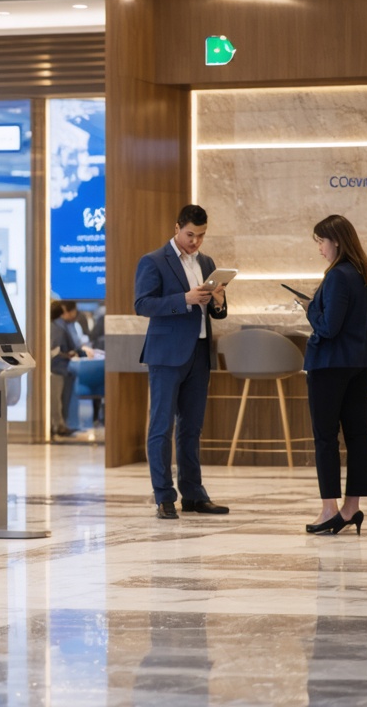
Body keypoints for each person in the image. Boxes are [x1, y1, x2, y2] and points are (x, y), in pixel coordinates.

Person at [135, 204, 229, 520]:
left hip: (199, 353)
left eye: (201, 236)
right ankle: (163, 496)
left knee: (192, 428)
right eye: (191, 235)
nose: (196, 242)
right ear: (177, 228)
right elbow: (142, 304)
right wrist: (184, 300)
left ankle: (193, 495)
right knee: (161, 426)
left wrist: (219, 302)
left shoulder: (207, 263)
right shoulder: (153, 261)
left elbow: (216, 312)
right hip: (166, 355)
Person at [294, 215, 367, 536]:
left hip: (330, 365)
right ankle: (351, 508)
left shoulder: (337, 277)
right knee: (358, 434)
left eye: (321, 241)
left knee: (326, 437)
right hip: (360, 364)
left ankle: (329, 509)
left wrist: (308, 308)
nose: (319, 248)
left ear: (337, 242)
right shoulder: (364, 274)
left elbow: (328, 327)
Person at [50, 301, 82, 437]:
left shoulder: (58, 326)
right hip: (59, 367)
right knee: (58, 400)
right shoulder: (59, 327)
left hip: (60, 367)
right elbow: (56, 347)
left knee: (59, 400)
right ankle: (59, 426)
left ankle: (59, 425)